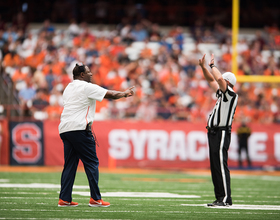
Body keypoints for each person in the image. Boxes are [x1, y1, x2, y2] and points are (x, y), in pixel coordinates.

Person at [58, 63, 135, 207]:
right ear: (82, 75)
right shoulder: (86, 87)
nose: (91, 74)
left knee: (69, 165)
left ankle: (64, 198)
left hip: (65, 129)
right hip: (79, 129)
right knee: (92, 163)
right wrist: (124, 94)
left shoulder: (68, 88)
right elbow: (110, 94)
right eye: (88, 72)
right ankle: (95, 198)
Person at [198, 54, 238, 207]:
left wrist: (212, 65)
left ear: (228, 82)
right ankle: (220, 197)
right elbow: (211, 80)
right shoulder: (222, 94)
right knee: (215, 166)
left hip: (222, 132)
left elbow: (219, 80)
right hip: (214, 132)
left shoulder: (231, 94)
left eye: (223, 80)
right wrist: (203, 68)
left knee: (221, 165)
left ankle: (226, 199)